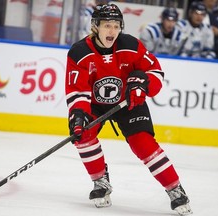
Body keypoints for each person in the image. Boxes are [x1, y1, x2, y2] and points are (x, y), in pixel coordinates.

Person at [65, 3, 192, 215]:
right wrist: (78, 114)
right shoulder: (79, 52)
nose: (112, 31)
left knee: (143, 144)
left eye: (116, 26)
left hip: (129, 102)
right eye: (107, 25)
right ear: (95, 26)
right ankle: (100, 182)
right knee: (83, 133)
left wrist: (143, 83)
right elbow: (78, 90)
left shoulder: (131, 45)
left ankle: (175, 188)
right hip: (95, 103)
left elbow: (155, 72)